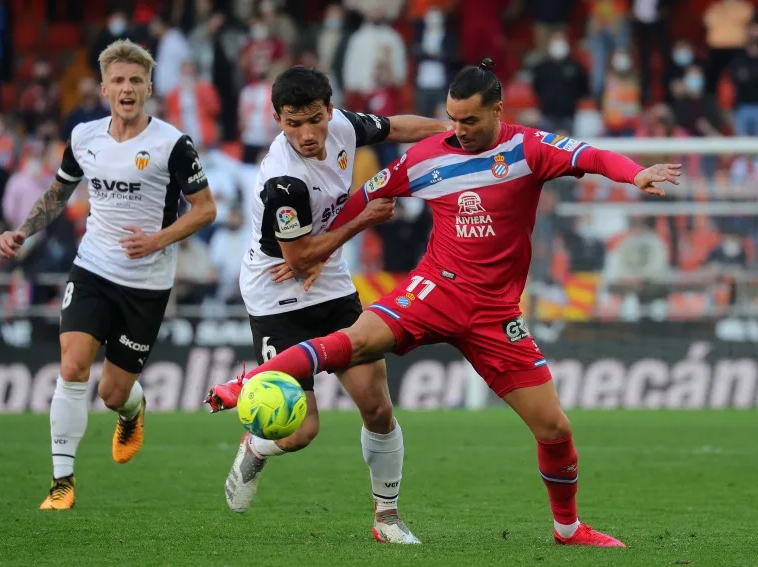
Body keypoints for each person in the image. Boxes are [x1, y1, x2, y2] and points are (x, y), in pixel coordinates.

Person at [207, 59, 681, 547]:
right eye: (451, 120)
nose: (457, 131)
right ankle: (243, 385)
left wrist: (636, 174)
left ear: (498, 110)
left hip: (496, 313)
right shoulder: (397, 164)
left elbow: (590, 155)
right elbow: (367, 198)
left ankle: (567, 529)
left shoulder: (529, 148)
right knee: (348, 348)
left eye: (468, 121)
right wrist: (316, 250)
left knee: (553, 426)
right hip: (432, 290)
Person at [206, 66, 447, 543]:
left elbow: (395, 127)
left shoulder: (341, 127)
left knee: (377, 407)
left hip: (331, 283)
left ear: (329, 110)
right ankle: (255, 447)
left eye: (313, 119)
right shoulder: (283, 182)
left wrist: (451, 130)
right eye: (292, 123)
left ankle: (387, 518)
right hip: (276, 295)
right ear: (277, 119)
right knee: (300, 432)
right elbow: (297, 259)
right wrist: (365, 218)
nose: (306, 133)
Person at [0, 39, 217, 510]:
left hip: (148, 282)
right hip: (93, 266)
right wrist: (22, 232)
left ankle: (133, 410)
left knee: (112, 391)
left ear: (150, 87)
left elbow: (205, 210)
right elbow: (58, 193)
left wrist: (157, 240)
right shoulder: (84, 137)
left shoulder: (172, 144)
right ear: (103, 88)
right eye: (118, 80)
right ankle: (61, 483)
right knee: (72, 367)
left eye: (136, 80)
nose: (127, 88)